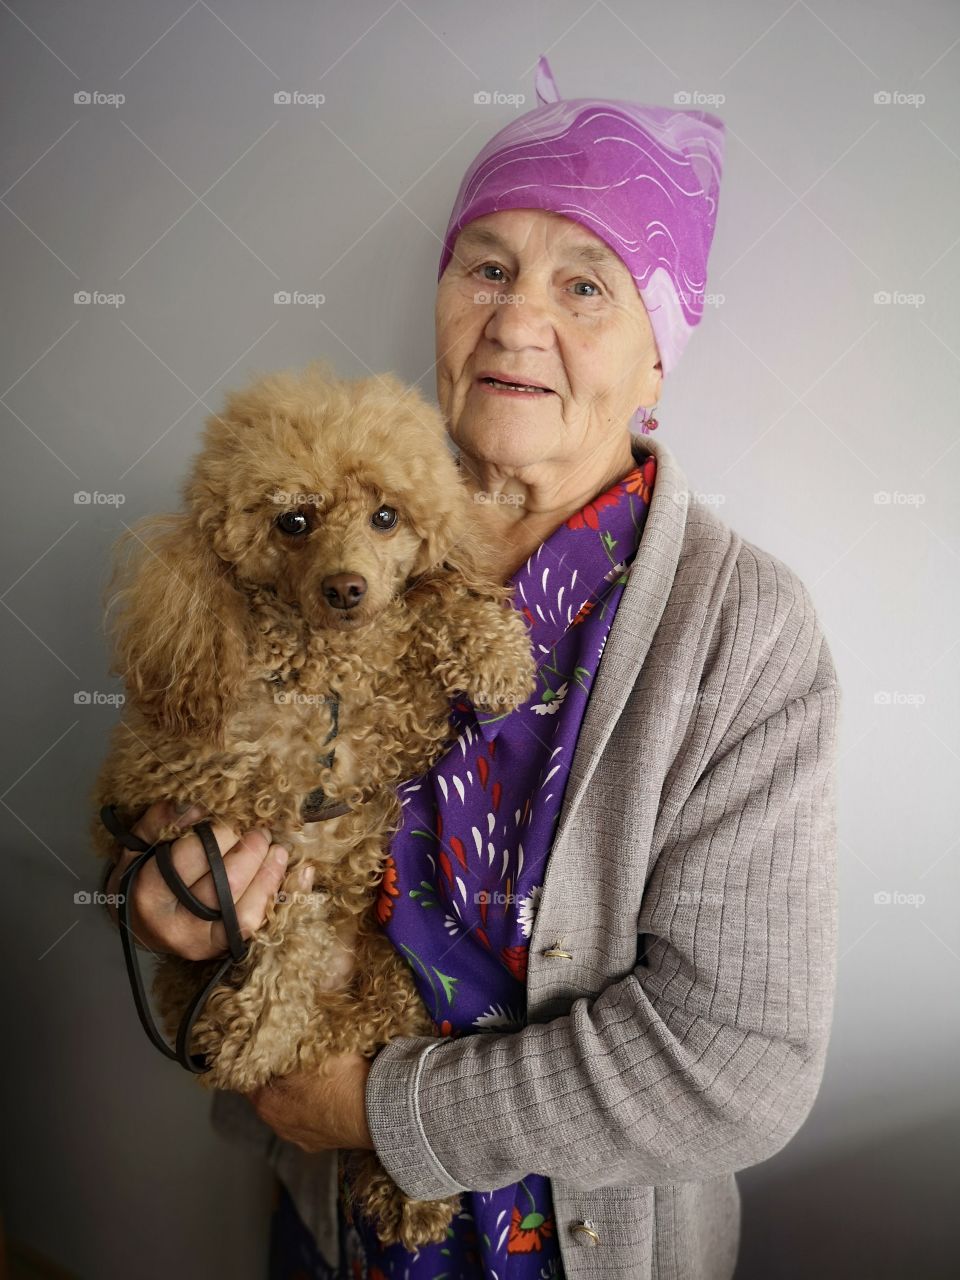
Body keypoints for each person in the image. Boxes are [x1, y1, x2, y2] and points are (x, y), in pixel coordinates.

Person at [105, 57, 841, 1280]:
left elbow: (737, 1064)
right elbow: (185, 775)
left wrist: (382, 1110)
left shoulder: (747, 633)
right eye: (486, 266)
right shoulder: (315, 514)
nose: (515, 318)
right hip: (324, 1218)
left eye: (585, 283)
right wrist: (165, 887)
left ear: (659, 359)